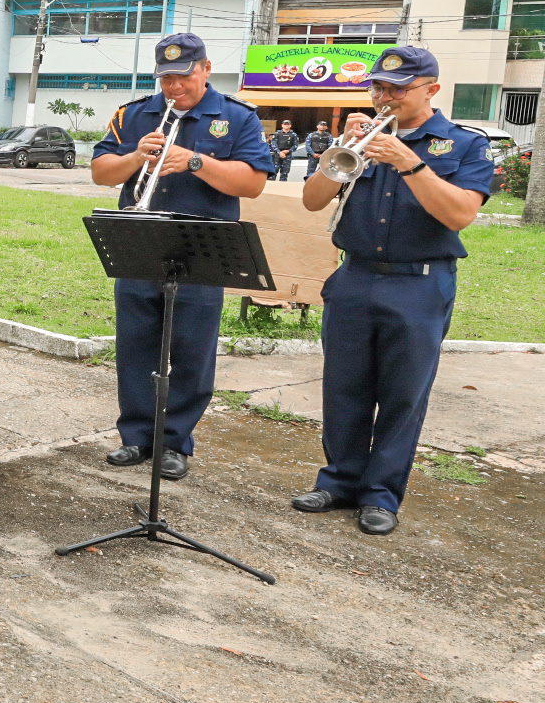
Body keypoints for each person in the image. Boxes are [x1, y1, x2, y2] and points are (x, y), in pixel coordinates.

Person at [295, 46, 492, 536]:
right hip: (355, 275)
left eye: (398, 89)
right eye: (378, 87)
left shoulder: (464, 144)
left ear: (431, 89)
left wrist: (410, 163)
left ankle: (381, 494)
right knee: (344, 387)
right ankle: (339, 481)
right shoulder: (360, 140)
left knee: (403, 394)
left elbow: (460, 214)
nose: (385, 97)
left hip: (419, 282)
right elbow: (312, 201)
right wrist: (341, 151)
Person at [89, 33, 272, 480]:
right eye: (166, 78)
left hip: (203, 252)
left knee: (192, 352)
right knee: (135, 348)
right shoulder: (132, 114)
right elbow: (100, 173)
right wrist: (136, 156)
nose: (174, 87)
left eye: (184, 76)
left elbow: (252, 183)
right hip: (139, 246)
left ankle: (174, 442)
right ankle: (136, 436)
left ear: (206, 69)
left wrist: (194, 161)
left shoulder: (238, 117)